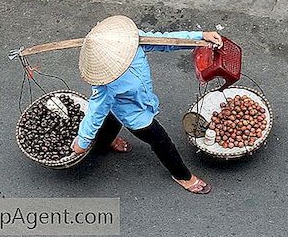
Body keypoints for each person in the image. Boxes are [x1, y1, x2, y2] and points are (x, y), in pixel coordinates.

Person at [71, 15, 222, 194]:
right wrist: (82, 141)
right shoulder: (105, 84)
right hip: (134, 115)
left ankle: (106, 142)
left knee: (111, 118)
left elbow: (165, 40)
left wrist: (200, 37)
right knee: (161, 141)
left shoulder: (132, 42)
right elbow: (95, 111)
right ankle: (183, 176)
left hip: (137, 102)